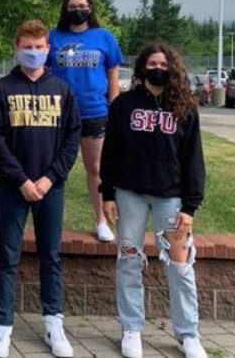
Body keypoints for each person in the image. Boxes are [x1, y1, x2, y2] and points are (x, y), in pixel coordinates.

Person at [100, 43, 207, 358]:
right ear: (142, 67)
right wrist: (107, 193)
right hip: (129, 193)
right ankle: (131, 328)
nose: (157, 68)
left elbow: (193, 160)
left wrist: (190, 206)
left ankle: (188, 334)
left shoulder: (185, 107)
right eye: (151, 63)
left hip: (171, 197)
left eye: (163, 63)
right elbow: (111, 152)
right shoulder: (124, 105)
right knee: (129, 260)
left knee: (180, 265)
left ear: (172, 68)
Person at [0, 20, 80, 358]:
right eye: (27, 46)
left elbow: (71, 139)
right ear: (15, 48)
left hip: (50, 187)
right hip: (14, 188)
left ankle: (54, 322)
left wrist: (50, 178)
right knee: (8, 257)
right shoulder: (1, 89)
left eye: (39, 47)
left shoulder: (63, 90)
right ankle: (2, 327)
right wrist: (21, 180)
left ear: (48, 49)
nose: (33, 52)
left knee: (50, 257)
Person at [46, 0, 122, 242]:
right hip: (60, 112)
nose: (77, 10)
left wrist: (115, 106)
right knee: (55, 167)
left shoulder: (103, 36)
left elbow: (113, 74)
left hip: (94, 111)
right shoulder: (53, 37)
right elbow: (42, 71)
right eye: (72, 7)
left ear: (90, 8)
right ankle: (49, 221)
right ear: (65, 10)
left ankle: (101, 220)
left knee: (95, 167)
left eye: (82, 6)